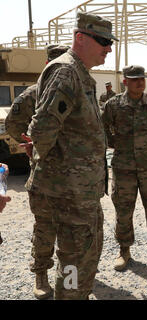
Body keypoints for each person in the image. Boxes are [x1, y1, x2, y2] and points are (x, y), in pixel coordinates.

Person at [26, 12, 117, 300]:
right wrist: (59, 178)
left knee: (84, 257)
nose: (109, 47)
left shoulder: (80, 74)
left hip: (83, 192)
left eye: (109, 41)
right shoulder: (66, 72)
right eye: (102, 40)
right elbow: (41, 129)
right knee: (73, 262)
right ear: (80, 38)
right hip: (71, 195)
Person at [5, 44, 69, 299]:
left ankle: (71, 278)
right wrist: (29, 144)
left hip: (74, 177)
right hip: (44, 175)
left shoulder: (77, 92)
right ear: (47, 66)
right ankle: (41, 275)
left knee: (73, 231)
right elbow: (13, 124)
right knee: (44, 228)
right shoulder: (33, 95)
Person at [101, 65, 147, 271]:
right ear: (125, 82)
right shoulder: (113, 105)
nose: (140, 82)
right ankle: (124, 250)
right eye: (134, 79)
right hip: (123, 167)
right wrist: (116, 145)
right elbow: (103, 129)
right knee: (123, 210)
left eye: (142, 79)